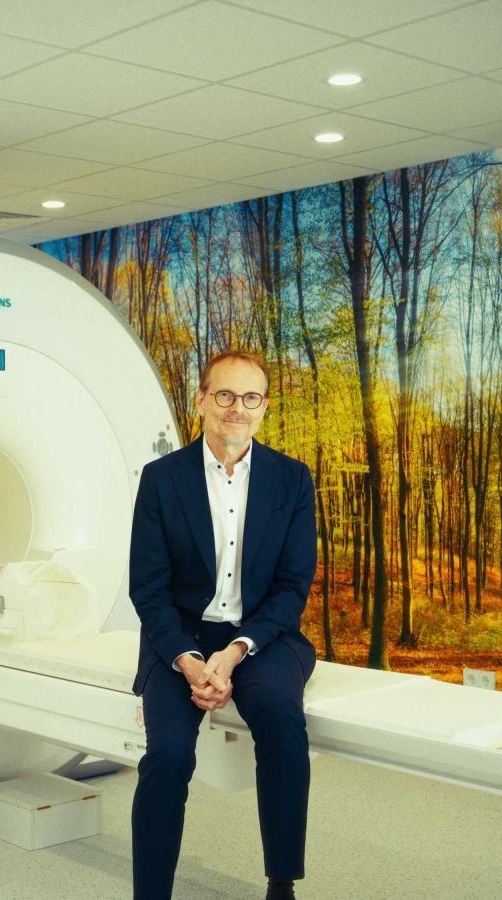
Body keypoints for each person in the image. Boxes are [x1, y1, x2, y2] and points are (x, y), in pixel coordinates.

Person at [129, 350, 317, 900]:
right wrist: (189, 662)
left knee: (282, 720)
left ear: (265, 406)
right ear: (202, 400)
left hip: (262, 636)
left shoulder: (291, 479)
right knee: (167, 756)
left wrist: (235, 651)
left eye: (250, 397)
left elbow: (292, 586)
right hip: (178, 638)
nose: (238, 408)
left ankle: (281, 882)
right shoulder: (162, 479)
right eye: (225, 395)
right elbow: (149, 587)